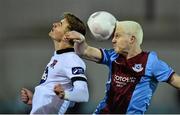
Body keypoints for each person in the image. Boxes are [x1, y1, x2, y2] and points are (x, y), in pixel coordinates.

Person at [66, 21, 180, 114]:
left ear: (132, 39)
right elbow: (84, 51)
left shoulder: (151, 62)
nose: (113, 40)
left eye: (117, 36)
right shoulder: (113, 56)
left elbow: (176, 81)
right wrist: (80, 41)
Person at [20, 13, 89, 114]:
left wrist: (64, 94)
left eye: (60, 24)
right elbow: (62, 99)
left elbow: (83, 94)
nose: (54, 24)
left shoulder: (72, 59)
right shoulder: (58, 57)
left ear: (68, 36)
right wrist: (35, 99)